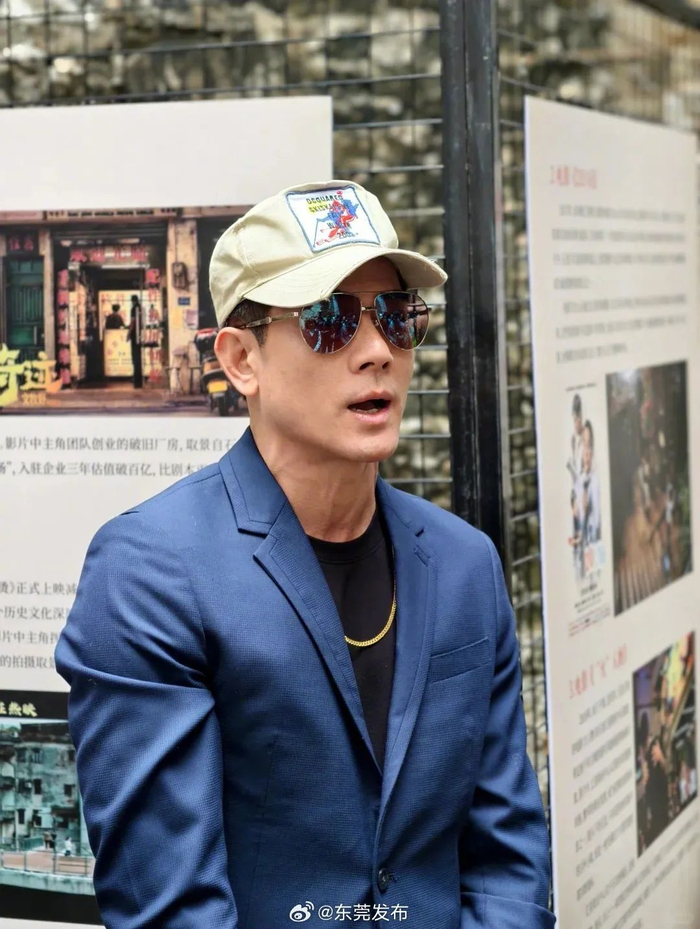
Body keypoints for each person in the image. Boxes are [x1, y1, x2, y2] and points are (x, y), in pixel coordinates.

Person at [54, 180, 554, 928]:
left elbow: (508, 856)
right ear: (241, 360)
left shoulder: (464, 564)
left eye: (396, 314)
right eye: (328, 320)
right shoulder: (151, 572)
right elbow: (172, 907)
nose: (377, 351)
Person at [126, 294, 143, 388]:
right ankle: (138, 377)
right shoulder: (140, 308)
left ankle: (136, 378)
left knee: (135, 357)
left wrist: (128, 333)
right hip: (139, 335)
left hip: (134, 336)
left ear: (132, 301)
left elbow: (133, 321)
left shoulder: (134, 309)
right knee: (138, 357)